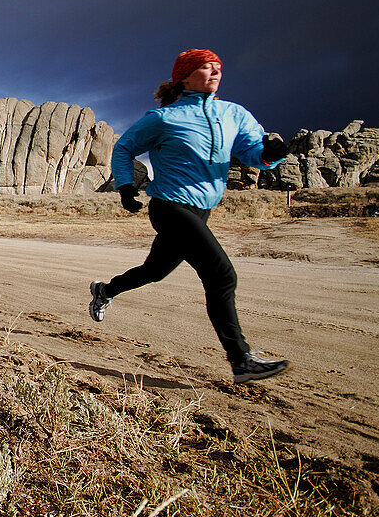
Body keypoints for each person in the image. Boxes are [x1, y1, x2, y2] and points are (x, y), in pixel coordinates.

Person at [88, 49, 291, 383]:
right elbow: (125, 147)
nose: (214, 71)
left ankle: (105, 290)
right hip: (169, 206)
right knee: (221, 276)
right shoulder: (164, 118)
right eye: (205, 67)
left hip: (202, 209)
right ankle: (241, 359)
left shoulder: (233, 115)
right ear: (184, 76)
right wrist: (126, 186)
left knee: (154, 271)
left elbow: (252, 152)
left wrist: (268, 155)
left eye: (218, 67)